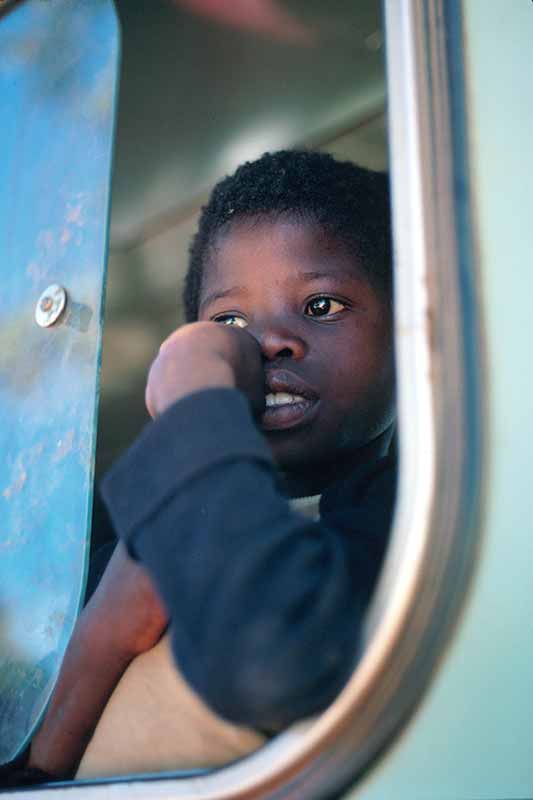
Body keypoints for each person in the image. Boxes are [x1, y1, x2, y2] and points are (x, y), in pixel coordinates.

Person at [8, 149, 396, 785]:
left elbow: (266, 660)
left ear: (408, 329)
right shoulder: (99, 561)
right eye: (230, 321)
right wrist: (104, 633)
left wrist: (196, 399)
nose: (269, 341)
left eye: (321, 306)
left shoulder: (411, 520)